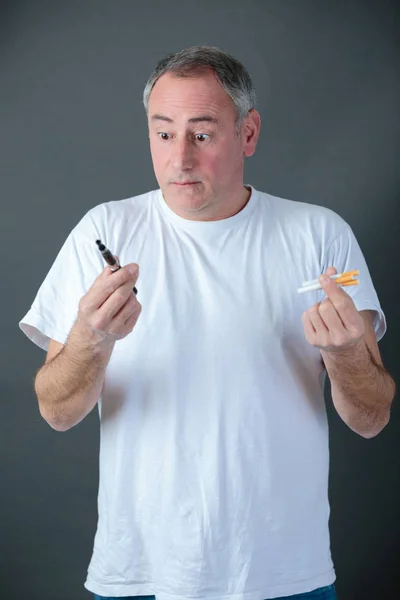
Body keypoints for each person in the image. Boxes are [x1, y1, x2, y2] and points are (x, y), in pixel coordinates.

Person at [19, 45, 395, 600]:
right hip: (139, 573)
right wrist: (91, 340)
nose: (180, 160)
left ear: (248, 134)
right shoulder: (105, 229)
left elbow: (372, 418)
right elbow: (56, 410)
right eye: (163, 133)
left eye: (203, 133)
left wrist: (343, 355)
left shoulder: (320, 237)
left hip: (284, 574)